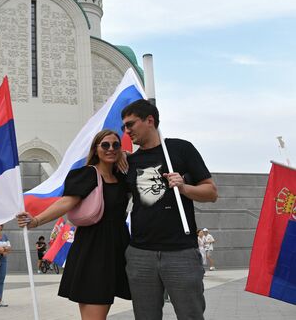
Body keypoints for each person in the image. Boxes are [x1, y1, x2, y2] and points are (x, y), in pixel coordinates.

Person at [17, 129, 131, 320]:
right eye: (105, 145)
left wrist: (126, 154)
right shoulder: (87, 174)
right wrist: (36, 220)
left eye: (116, 145)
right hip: (93, 249)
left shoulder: (121, 178)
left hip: (114, 249)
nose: (111, 149)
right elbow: (66, 202)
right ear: (95, 149)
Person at [121, 99, 218, 320]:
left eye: (130, 124)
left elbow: (211, 193)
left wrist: (184, 188)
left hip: (180, 252)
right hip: (140, 253)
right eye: (124, 127)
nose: (126, 131)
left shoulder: (180, 149)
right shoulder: (130, 162)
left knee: (190, 315)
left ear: (150, 121)